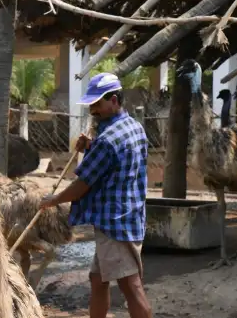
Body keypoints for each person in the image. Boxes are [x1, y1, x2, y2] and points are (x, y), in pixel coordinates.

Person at [40, 73, 152, 318]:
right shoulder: (134, 127)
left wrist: (54, 200)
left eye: (97, 104)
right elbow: (117, 161)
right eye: (91, 104)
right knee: (97, 279)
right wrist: (90, 146)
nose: (93, 110)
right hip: (129, 215)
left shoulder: (107, 141)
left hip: (115, 223)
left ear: (114, 100)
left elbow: (83, 184)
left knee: (130, 286)